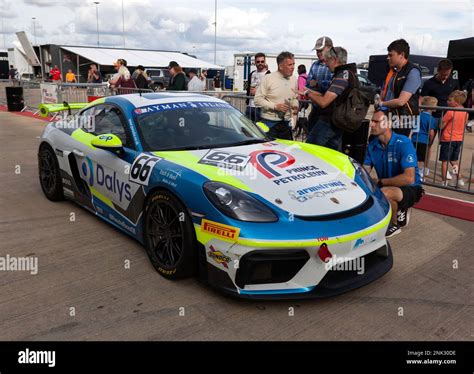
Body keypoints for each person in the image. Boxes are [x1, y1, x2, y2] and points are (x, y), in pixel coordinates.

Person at [363, 110, 423, 238]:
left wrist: (379, 182)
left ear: (388, 124)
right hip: (389, 185)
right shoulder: (372, 145)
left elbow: (409, 178)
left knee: (385, 193)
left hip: (411, 187)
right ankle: (400, 208)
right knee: (365, 190)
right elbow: (365, 170)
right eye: (372, 121)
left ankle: (393, 225)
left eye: (376, 122)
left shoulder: (403, 142)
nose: (372, 125)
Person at [301, 46, 357, 150]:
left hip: (329, 122)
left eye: (327, 60)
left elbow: (324, 102)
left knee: (309, 150)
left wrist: (307, 92)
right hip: (337, 122)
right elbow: (327, 96)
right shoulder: (347, 73)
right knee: (333, 154)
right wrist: (306, 91)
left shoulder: (342, 76)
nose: (326, 64)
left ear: (335, 60)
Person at [420, 59, 459, 176]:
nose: (445, 77)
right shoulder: (429, 83)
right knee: (428, 143)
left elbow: (458, 97)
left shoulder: (454, 82)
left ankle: (447, 171)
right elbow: (422, 99)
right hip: (432, 118)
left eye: (447, 74)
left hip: (448, 119)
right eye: (443, 74)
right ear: (438, 70)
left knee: (447, 147)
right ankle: (425, 168)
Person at [378, 39, 422, 137]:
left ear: (401, 55)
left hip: (403, 119)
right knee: (380, 143)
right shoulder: (393, 72)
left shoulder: (413, 72)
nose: (387, 58)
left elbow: (401, 101)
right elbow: (387, 92)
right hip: (389, 115)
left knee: (395, 147)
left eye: (391, 55)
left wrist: (381, 104)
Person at [254, 51, 298, 140]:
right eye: (290, 65)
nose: (293, 67)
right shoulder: (268, 78)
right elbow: (257, 100)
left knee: (287, 152)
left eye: (293, 64)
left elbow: (295, 98)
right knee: (268, 153)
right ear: (280, 66)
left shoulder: (294, 79)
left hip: (286, 124)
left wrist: (294, 116)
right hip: (269, 124)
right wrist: (275, 106)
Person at [439, 90, 468, 187]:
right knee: (454, 161)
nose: (447, 101)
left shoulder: (451, 111)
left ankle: (444, 181)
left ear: (456, 101)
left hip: (448, 139)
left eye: (450, 100)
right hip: (458, 139)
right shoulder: (465, 112)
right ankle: (459, 178)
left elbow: (441, 125)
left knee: (444, 161)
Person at [306, 36, 334, 134]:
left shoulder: (336, 65)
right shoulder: (315, 65)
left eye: (320, 50)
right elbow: (308, 85)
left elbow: (333, 88)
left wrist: (318, 83)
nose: (318, 53)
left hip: (331, 113)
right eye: (317, 50)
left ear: (330, 48)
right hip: (316, 109)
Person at [411, 96, 438, 180]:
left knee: (413, 157)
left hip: (414, 138)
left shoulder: (417, 116)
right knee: (419, 159)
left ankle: (411, 172)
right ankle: (417, 175)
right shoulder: (431, 119)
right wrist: (430, 141)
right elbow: (431, 132)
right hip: (423, 141)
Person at [246, 52, 270, 122]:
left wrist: (257, 92)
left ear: (265, 62)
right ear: (255, 62)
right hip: (250, 106)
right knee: (248, 129)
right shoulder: (251, 74)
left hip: (262, 108)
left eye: (262, 61)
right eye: (258, 61)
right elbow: (248, 88)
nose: (260, 63)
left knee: (261, 130)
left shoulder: (269, 75)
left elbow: (271, 92)